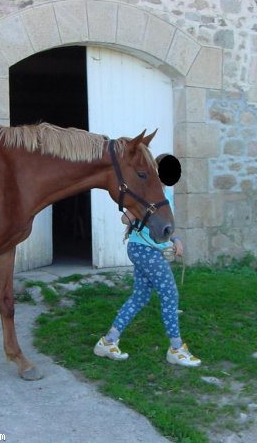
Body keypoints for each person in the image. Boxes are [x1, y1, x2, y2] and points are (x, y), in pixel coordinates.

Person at [93, 155, 201, 367]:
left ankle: (108, 341)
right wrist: (139, 212)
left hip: (148, 250)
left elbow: (166, 227)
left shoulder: (166, 194)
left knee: (140, 297)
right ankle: (177, 349)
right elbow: (126, 218)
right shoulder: (145, 192)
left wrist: (176, 239)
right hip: (144, 250)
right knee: (170, 294)